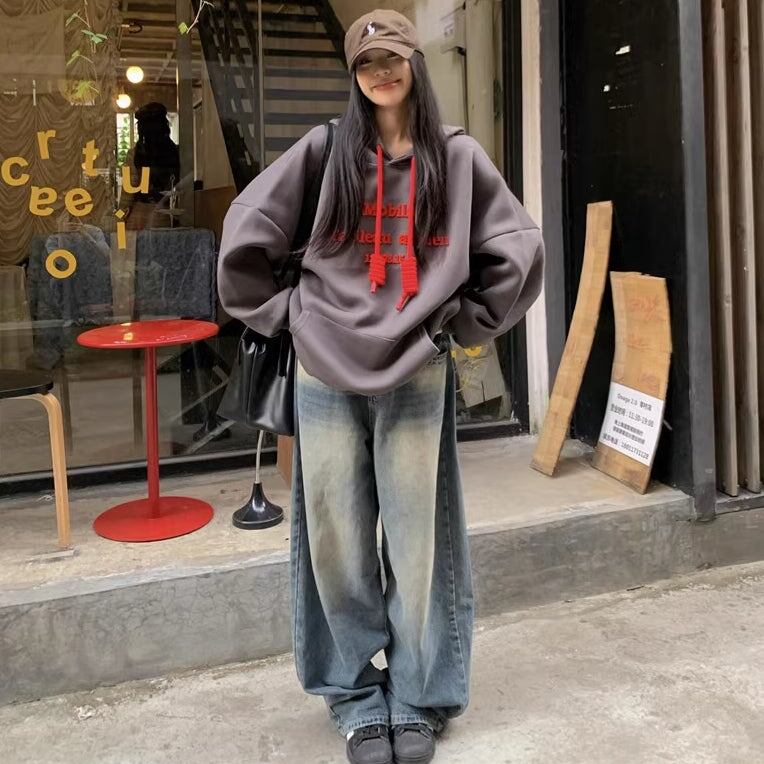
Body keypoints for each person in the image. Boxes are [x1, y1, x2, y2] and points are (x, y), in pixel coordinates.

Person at [217, 9, 544, 764]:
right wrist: (290, 316)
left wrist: (460, 323)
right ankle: (355, 695)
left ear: (414, 63)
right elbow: (245, 235)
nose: (381, 72)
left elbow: (517, 248)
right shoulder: (324, 150)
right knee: (334, 539)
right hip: (325, 371)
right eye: (366, 63)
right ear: (354, 75)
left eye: (393, 58)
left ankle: (419, 696)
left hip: (417, 369)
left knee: (420, 540)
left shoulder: (456, 157)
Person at [120, 101, 180, 229]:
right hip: (164, 216)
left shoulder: (134, 154)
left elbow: (127, 195)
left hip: (139, 217)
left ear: (141, 129)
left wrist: (119, 218)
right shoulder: (175, 153)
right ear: (165, 126)